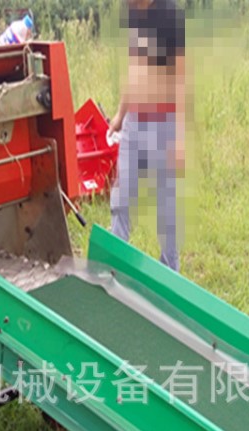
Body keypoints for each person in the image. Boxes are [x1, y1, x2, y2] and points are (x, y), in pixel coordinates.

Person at [108, 0, 185, 272]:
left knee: (167, 207)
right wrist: (120, 116)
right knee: (122, 197)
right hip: (135, 121)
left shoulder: (171, 15)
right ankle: (113, 267)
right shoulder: (132, 11)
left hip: (164, 122)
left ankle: (170, 272)